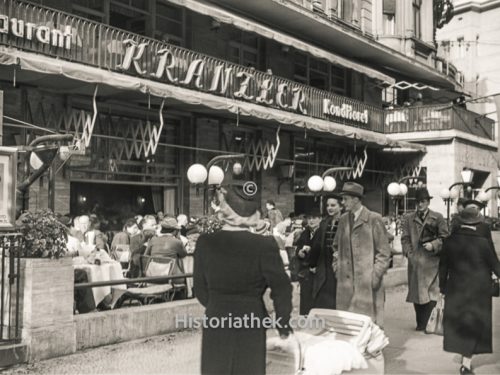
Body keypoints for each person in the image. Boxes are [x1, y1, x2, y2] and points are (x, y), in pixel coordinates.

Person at [194, 181, 293, 375]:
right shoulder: (265, 245)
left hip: (217, 316)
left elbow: (199, 288)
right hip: (252, 317)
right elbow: (282, 287)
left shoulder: (206, 242)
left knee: (216, 369)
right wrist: (282, 323)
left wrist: (218, 304)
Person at [439, 207, 500, 375]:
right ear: (477, 222)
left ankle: (465, 359)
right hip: (479, 292)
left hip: (456, 290)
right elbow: (496, 267)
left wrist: (442, 288)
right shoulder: (483, 243)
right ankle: (466, 362)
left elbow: (443, 267)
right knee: (475, 325)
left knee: (461, 324)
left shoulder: (449, 241)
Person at [333, 182, 392, 326]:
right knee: (348, 324)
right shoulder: (343, 220)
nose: (343, 202)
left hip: (367, 283)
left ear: (355, 199)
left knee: (369, 324)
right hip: (346, 283)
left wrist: (375, 275)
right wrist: (336, 267)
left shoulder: (374, 219)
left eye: (345, 199)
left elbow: (384, 253)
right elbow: (335, 247)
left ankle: (373, 348)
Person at [400, 188, 449, 331]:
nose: (420, 204)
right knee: (417, 294)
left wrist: (433, 245)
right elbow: (405, 238)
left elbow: (445, 238)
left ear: (428, 202)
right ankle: (420, 323)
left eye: (423, 201)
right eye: (417, 202)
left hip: (432, 263)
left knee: (431, 293)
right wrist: (409, 253)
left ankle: (429, 324)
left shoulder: (438, 217)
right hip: (416, 263)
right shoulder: (409, 219)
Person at [308, 195, 343, 310]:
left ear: (341, 206)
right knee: (324, 295)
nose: (329, 208)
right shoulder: (324, 223)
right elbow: (317, 245)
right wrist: (312, 263)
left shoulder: (346, 222)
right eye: (328, 205)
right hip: (325, 264)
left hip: (341, 264)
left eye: (333, 205)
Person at [295, 208, 322, 315]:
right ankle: (306, 320)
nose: (311, 221)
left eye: (314, 218)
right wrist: (299, 252)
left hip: (317, 270)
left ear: (320, 219)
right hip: (305, 271)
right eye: (309, 218)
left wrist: (317, 266)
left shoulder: (322, 232)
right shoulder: (305, 233)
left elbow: (324, 252)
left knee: (317, 298)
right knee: (305, 296)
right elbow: (298, 247)